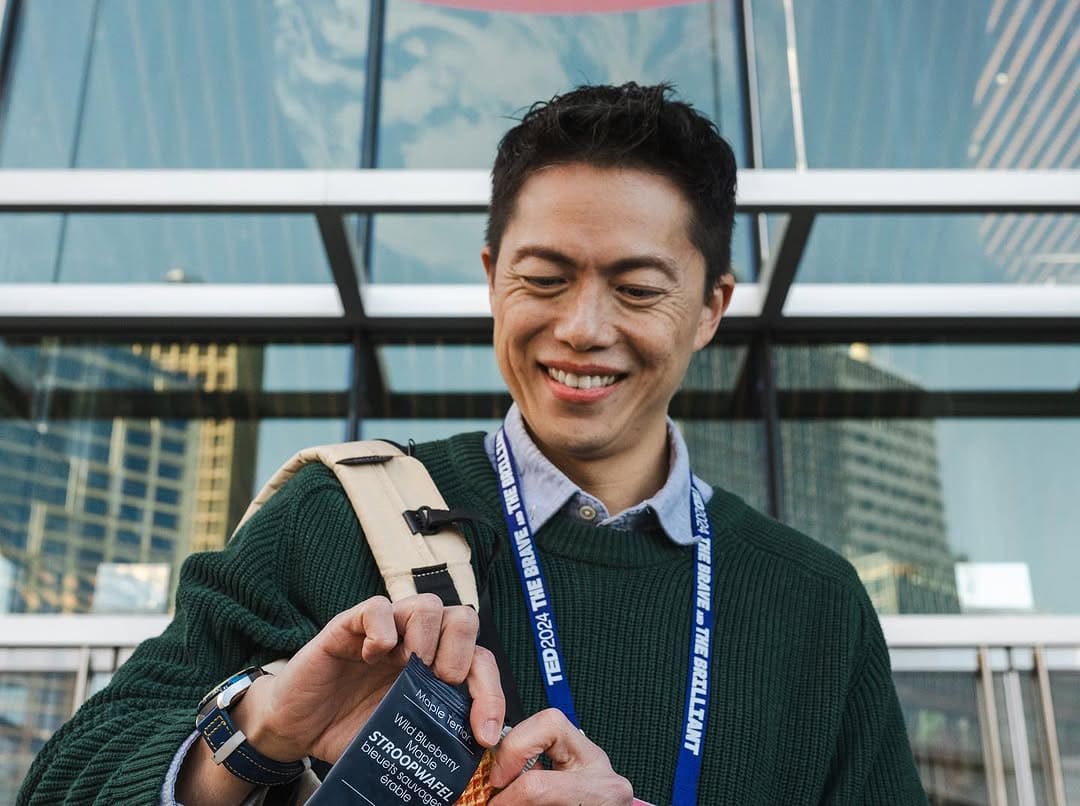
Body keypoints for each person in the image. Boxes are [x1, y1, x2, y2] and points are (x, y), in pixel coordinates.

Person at [20, 82, 929, 806]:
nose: (582, 327)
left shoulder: (813, 604)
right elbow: (63, 781)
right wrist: (259, 732)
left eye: (639, 289)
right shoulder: (339, 515)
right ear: (494, 278)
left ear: (711, 309)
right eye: (545, 277)